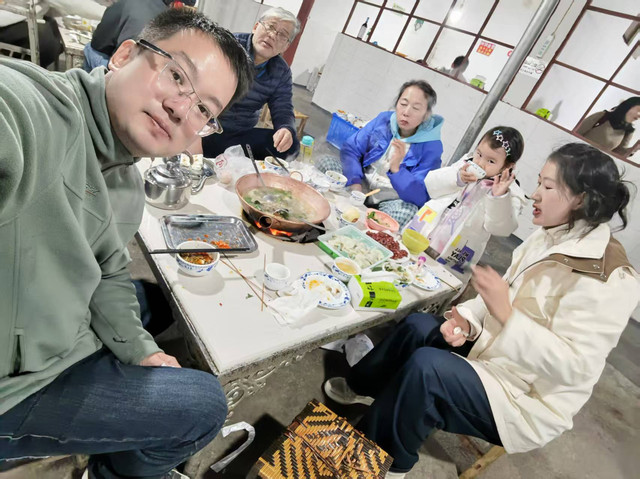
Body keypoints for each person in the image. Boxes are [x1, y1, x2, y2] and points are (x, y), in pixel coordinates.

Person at [0, 8, 252, 479]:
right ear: (123, 55)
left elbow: (109, 268)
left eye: (204, 110)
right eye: (177, 75)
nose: (181, 109)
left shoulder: (127, 184)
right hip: (16, 386)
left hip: (56, 332)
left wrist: (141, 350)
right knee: (202, 406)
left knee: (156, 303)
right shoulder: (32, 110)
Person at [324, 143, 639, 477]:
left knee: (429, 370)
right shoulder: (550, 236)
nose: (535, 194)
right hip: (496, 352)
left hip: (525, 397)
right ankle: (361, 388)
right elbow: (503, 293)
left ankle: (385, 466)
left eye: (547, 187)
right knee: (418, 326)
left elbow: (575, 368)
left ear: (580, 198)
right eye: (538, 183)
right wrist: (467, 320)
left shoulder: (611, 278)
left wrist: (507, 316)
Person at [319, 80, 443, 227]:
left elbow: (420, 196)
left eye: (416, 108)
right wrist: (355, 183)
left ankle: (370, 230)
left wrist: (397, 169)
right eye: (403, 104)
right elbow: (351, 149)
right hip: (361, 183)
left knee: (408, 211)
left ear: (426, 114)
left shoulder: (431, 146)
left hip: (390, 199)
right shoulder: (384, 121)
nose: (406, 112)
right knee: (325, 161)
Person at [409, 126, 525, 280]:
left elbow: (500, 228)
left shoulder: (510, 192)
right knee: (404, 266)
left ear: (507, 166)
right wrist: (456, 178)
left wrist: (498, 198)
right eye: (479, 154)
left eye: (491, 161)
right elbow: (431, 184)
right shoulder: (464, 165)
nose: (480, 163)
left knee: (437, 282)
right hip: (422, 234)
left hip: (453, 254)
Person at [198, 7, 301, 161]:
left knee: (290, 145)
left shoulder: (281, 72)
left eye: (282, 35)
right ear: (256, 27)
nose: (272, 35)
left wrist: (286, 129)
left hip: (239, 135)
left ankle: (228, 157)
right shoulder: (228, 45)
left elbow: (283, 106)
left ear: (285, 46)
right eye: (270, 27)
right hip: (205, 125)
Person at [84, 0, 196, 71]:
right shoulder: (166, 18)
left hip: (119, 66)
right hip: (134, 68)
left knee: (89, 49)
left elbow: (100, 40)